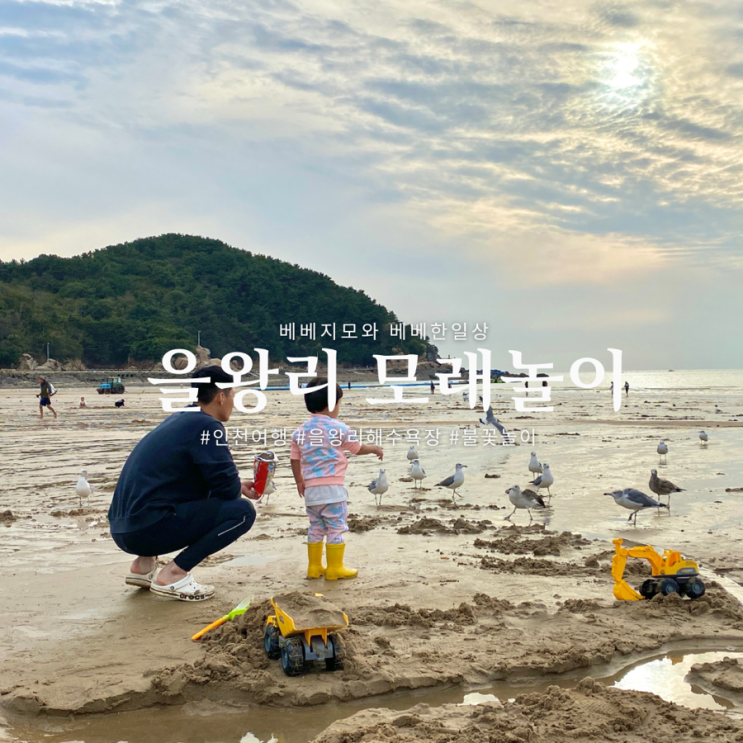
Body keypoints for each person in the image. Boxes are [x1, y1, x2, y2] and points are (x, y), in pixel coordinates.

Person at [108, 366, 258, 601]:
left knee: (179, 488)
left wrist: (236, 485)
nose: (233, 403)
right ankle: (174, 574)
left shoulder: (180, 418)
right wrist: (234, 486)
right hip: (145, 529)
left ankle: (143, 565)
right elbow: (228, 492)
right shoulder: (207, 426)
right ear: (221, 396)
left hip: (122, 528)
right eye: (233, 395)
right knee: (242, 512)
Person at [290, 377, 383, 581]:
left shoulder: (299, 431)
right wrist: (374, 448)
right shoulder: (339, 428)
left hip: (311, 491)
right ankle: (335, 568)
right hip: (333, 489)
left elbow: (294, 458)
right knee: (335, 527)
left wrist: (299, 481)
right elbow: (356, 449)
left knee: (316, 527)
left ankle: (314, 567)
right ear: (332, 404)